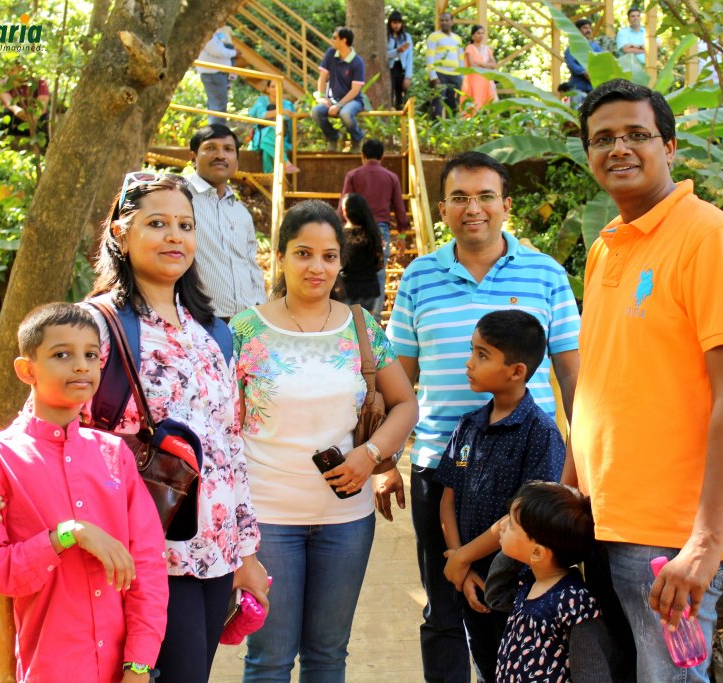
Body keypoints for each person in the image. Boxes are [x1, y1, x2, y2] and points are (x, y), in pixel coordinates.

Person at [0, 173, 270, 683]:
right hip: (137, 562)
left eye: (185, 225)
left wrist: (246, 553)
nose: (174, 236)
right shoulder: (96, 324)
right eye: (157, 223)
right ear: (120, 234)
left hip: (215, 554)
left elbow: (229, 446)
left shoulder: (213, 331)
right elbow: (37, 427)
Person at [574, 79, 723, 682]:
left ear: (670, 147)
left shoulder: (711, 239)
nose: (619, 148)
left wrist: (703, 544)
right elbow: (600, 381)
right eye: (603, 138)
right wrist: (570, 487)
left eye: (637, 134)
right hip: (604, 522)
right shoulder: (606, 247)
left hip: (668, 542)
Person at [385, 151, 581, 683]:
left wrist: (581, 462)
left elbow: (573, 375)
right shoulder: (419, 277)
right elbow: (398, 379)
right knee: (444, 607)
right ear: (443, 209)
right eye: (460, 198)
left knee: (521, 602)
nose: (473, 208)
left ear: (505, 205)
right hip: (439, 468)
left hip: (528, 475)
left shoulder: (546, 274)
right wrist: (384, 459)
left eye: (485, 196)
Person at [231, 199, 418, 682]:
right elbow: (225, 430)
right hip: (268, 519)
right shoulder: (244, 330)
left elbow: (405, 404)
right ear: (280, 256)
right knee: (270, 659)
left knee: (328, 655)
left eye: (329, 256)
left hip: (346, 521)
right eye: (303, 253)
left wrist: (371, 454)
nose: (317, 267)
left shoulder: (362, 326)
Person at [0, 303, 168, 683]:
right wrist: (66, 535)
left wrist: (138, 664)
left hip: (124, 669)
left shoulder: (114, 453)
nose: (81, 366)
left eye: (91, 355)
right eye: (62, 355)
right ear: (27, 370)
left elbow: (148, 565)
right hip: (51, 668)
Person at [435, 310, 566, 682]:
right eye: (472, 351)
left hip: (518, 591)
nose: (469, 362)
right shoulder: (468, 426)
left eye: (482, 355)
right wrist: (461, 567)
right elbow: (448, 499)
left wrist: (462, 557)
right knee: (485, 667)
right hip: (472, 585)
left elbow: (525, 518)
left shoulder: (540, 433)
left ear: (517, 371)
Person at [491, 482, 611, 683]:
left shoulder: (574, 601)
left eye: (511, 524)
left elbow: (591, 672)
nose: (501, 526)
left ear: (538, 552)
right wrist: (516, 552)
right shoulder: (528, 584)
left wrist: (519, 551)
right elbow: (495, 594)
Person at [186, 124, 267, 321]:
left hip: (246, 321)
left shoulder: (240, 212)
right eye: (210, 148)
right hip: (198, 321)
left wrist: (260, 308)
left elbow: (251, 265)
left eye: (228, 149)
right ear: (193, 158)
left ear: (236, 161)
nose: (220, 155)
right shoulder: (179, 198)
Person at [339, 138, 408, 303]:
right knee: (379, 274)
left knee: (350, 272)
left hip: (353, 232)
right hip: (380, 233)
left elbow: (343, 206)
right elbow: (400, 210)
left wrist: (339, 230)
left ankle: (349, 314)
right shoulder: (391, 177)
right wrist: (402, 236)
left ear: (362, 155)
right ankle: (374, 317)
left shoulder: (353, 175)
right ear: (382, 156)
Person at [312, 27, 367, 153]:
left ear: (344, 40)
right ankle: (333, 137)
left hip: (353, 100)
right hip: (332, 99)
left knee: (345, 114)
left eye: (334, 38)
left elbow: (355, 91)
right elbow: (322, 77)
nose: (331, 40)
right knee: (316, 112)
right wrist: (321, 97)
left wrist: (339, 105)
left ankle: (357, 139)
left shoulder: (358, 62)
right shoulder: (330, 53)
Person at [340, 193, 385, 316]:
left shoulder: (341, 235)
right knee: (362, 326)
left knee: (347, 326)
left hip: (347, 289)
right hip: (369, 290)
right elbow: (379, 264)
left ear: (346, 212)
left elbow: (340, 263)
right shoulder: (373, 234)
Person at [248, 80, 299, 174]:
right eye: (272, 86)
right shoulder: (262, 100)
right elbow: (261, 115)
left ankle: (269, 178)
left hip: (280, 138)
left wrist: (274, 113)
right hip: (261, 136)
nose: (276, 89)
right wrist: (281, 111)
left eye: (278, 86)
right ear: (267, 89)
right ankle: (286, 163)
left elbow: (288, 121)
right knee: (269, 132)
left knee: (267, 148)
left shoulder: (287, 104)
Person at [0, 63, 50, 138]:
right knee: (7, 113)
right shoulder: (3, 84)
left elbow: (42, 104)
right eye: (18, 68)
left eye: (24, 68)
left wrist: (35, 117)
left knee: (45, 118)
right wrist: (18, 111)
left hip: (35, 118)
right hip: (16, 117)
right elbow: (8, 102)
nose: (22, 71)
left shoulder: (40, 82)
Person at [197, 26, 237, 126]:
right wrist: (235, 53)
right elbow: (217, 51)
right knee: (218, 106)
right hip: (213, 73)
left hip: (217, 73)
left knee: (217, 105)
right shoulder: (207, 34)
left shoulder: (215, 34)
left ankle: (216, 129)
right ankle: (217, 130)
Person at [426, 12, 465, 118]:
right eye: (442, 20)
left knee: (453, 105)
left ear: (452, 22)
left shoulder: (457, 38)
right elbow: (429, 57)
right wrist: (433, 76)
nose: (444, 23)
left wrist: (462, 76)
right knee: (437, 104)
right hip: (440, 74)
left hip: (455, 75)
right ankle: (436, 126)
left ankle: (452, 126)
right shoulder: (433, 36)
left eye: (447, 20)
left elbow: (461, 58)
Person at [563, 19, 604, 107]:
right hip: (578, 85)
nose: (588, 30)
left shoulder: (596, 47)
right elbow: (571, 64)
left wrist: (593, 72)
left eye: (589, 28)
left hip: (593, 86)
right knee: (577, 110)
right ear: (578, 30)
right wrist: (584, 72)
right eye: (585, 28)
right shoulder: (571, 48)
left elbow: (602, 60)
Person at [461, 25, 498, 113]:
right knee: (475, 103)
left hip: (487, 80)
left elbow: (494, 65)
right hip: (474, 81)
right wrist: (487, 65)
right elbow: (472, 65)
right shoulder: (470, 48)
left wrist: (480, 63)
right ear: (473, 36)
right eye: (478, 33)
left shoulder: (487, 49)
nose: (481, 35)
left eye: (482, 33)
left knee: (490, 104)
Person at [387, 11, 414, 109]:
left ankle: (401, 116)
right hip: (389, 69)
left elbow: (410, 57)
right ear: (390, 23)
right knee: (389, 94)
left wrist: (408, 77)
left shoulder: (406, 37)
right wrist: (397, 51)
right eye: (394, 23)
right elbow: (383, 55)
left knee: (401, 97)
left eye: (399, 23)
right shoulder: (385, 36)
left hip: (401, 68)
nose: (397, 26)